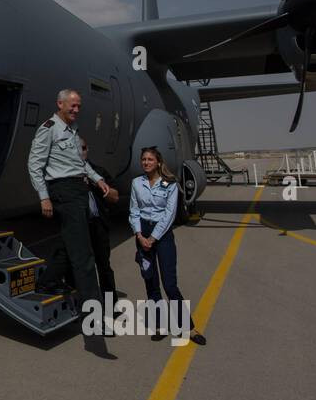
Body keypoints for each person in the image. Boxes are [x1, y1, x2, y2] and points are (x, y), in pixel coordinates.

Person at [28, 89, 112, 334]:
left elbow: (80, 163)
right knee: (84, 257)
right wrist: (44, 197)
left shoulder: (72, 131)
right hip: (63, 191)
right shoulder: (48, 128)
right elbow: (34, 164)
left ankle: (45, 282)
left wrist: (97, 180)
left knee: (71, 245)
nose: (76, 110)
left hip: (79, 190)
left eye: (78, 106)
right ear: (60, 104)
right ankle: (94, 319)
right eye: (72, 106)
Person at [129, 146, 206, 345]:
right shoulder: (137, 183)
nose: (146, 162)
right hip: (142, 234)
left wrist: (152, 238)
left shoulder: (169, 184)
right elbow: (134, 211)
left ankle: (188, 328)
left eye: (150, 159)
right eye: (144, 159)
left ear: (158, 163)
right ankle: (160, 325)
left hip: (162, 236)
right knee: (151, 283)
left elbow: (169, 214)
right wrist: (139, 235)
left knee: (170, 285)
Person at [51, 139, 120, 304]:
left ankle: (111, 305)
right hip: (77, 226)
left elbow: (115, 197)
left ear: (87, 149)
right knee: (77, 267)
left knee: (103, 266)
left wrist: (97, 184)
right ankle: (79, 303)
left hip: (97, 225)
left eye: (82, 148)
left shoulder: (98, 171)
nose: (79, 152)